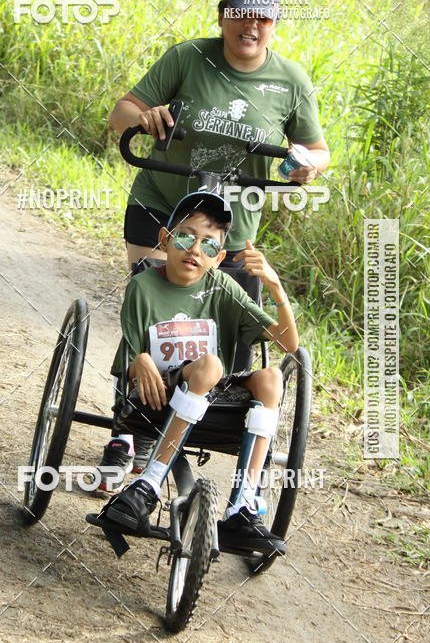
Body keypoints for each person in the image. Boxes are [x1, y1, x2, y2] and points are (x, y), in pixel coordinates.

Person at [98, 0, 328, 482]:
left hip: (232, 226)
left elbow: (316, 149)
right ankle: (128, 433)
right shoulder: (188, 57)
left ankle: (207, 431)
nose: (251, 25)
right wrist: (145, 117)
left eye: (263, 17)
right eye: (241, 14)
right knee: (155, 310)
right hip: (164, 205)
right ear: (223, 15)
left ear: (274, 23)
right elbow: (120, 114)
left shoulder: (291, 81)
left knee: (230, 336)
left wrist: (310, 165)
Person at [94, 190, 299, 551]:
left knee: (271, 376)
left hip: (212, 394)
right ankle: (148, 484)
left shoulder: (221, 286)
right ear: (165, 239)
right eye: (186, 236)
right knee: (210, 364)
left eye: (208, 245)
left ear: (218, 258)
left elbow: (288, 344)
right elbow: (128, 357)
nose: (194, 250)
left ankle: (242, 507)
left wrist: (274, 285)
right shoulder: (143, 286)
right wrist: (140, 359)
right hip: (157, 394)